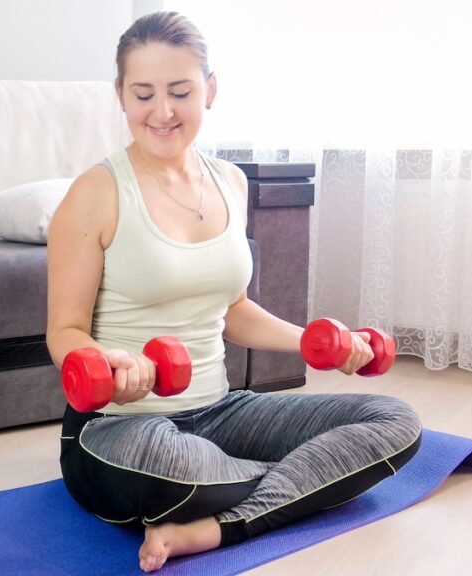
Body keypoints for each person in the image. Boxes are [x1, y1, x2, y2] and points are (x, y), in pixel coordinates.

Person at [46, 11, 421, 573]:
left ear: (210, 90)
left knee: (397, 422)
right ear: (120, 95)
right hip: (121, 428)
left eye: (180, 91)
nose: (162, 111)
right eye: (143, 93)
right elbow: (64, 331)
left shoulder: (231, 182)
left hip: (220, 410)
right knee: (185, 468)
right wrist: (109, 364)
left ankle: (218, 525)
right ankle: (294, 484)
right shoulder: (95, 192)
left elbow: (233, 310)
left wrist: (325, 345)